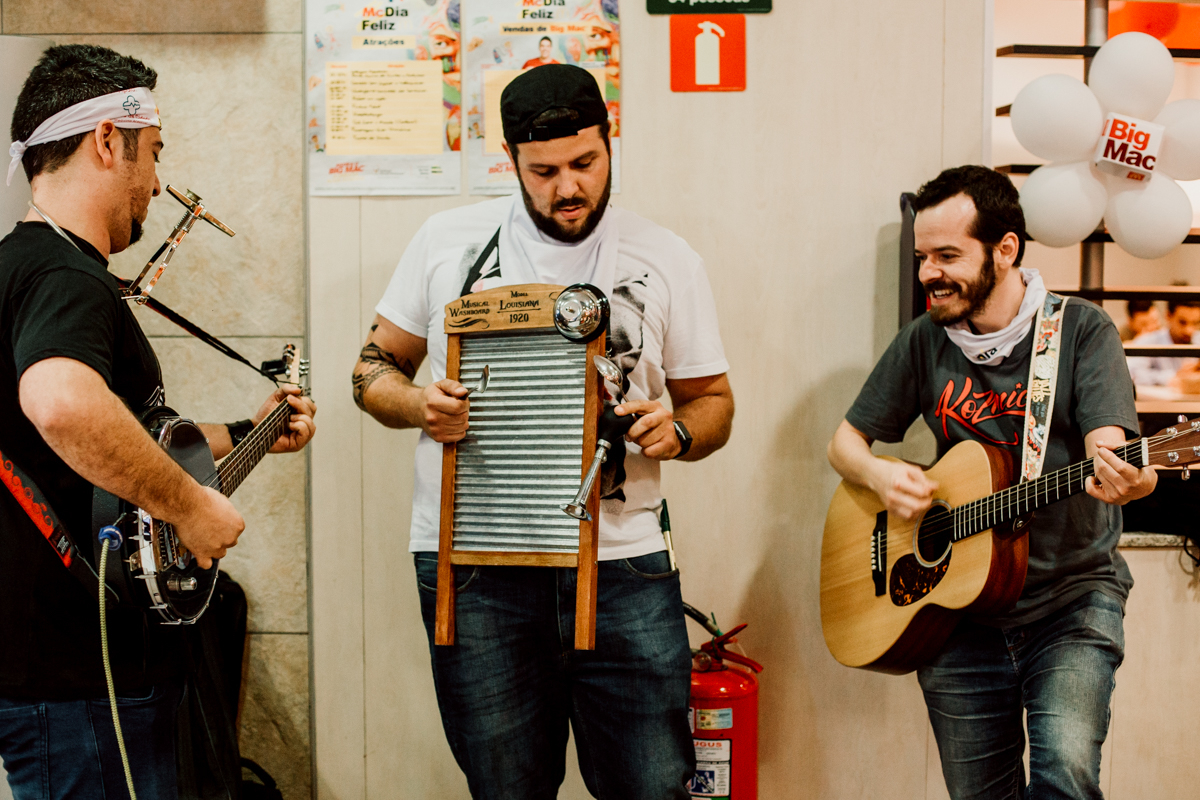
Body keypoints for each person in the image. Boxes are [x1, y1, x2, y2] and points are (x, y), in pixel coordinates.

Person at [353, 64, 733, 799]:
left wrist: (678, 432)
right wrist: (417, 405)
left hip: (625, 565)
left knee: (654, 785)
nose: (568, 187)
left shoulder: (666, 258)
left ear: (610, 143)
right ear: (511, 162)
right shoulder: (446, 243)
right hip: (477, 571)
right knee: (506, 786)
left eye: (585, 164)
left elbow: (713, 399)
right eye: (545, 170)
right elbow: (372, 369)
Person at [0, 44, 317, 798]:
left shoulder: (24, 264)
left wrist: (251, 431)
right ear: (110, 141)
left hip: (66, 672)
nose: (157, 181)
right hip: (80, 681)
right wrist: (188, 506)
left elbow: (128, 439)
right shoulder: (64, 275)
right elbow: (61, 402)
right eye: (154, 154)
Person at [827, 165, 1156, 799]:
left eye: (948, 255)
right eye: (923, 256)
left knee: (1066, 771)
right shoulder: (924, 341)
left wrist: (1127, 478)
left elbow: (1109, 445)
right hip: (956, 611)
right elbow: (845, 443)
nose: (927, 273)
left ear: (1005, 250)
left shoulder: (1081, 330)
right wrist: (880, 475)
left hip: (1071, 601)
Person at [1126, 297, 1200, 387]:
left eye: (1196, 323)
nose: (1189, 330)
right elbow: (1133, 374)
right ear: (1168, 316)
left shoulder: (1198, 340)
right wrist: (1175, 376)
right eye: (1182, 322)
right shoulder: (1147, 341)